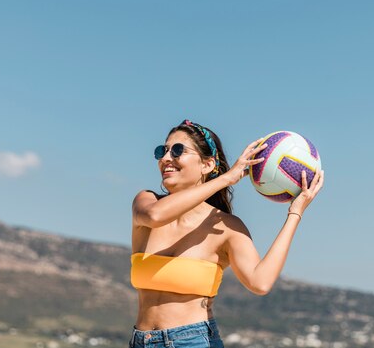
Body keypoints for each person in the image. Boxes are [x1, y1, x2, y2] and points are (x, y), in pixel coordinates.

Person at [129, 120, 324, 348]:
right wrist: (226, 179)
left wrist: (295, 213)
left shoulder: (226, 227)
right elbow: (155, 216)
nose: (165, 158)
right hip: (141, 341)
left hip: (193, 342)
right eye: (162, 151)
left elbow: (260, 283)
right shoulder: (147, 202)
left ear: (207, 164)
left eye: (178, 150)